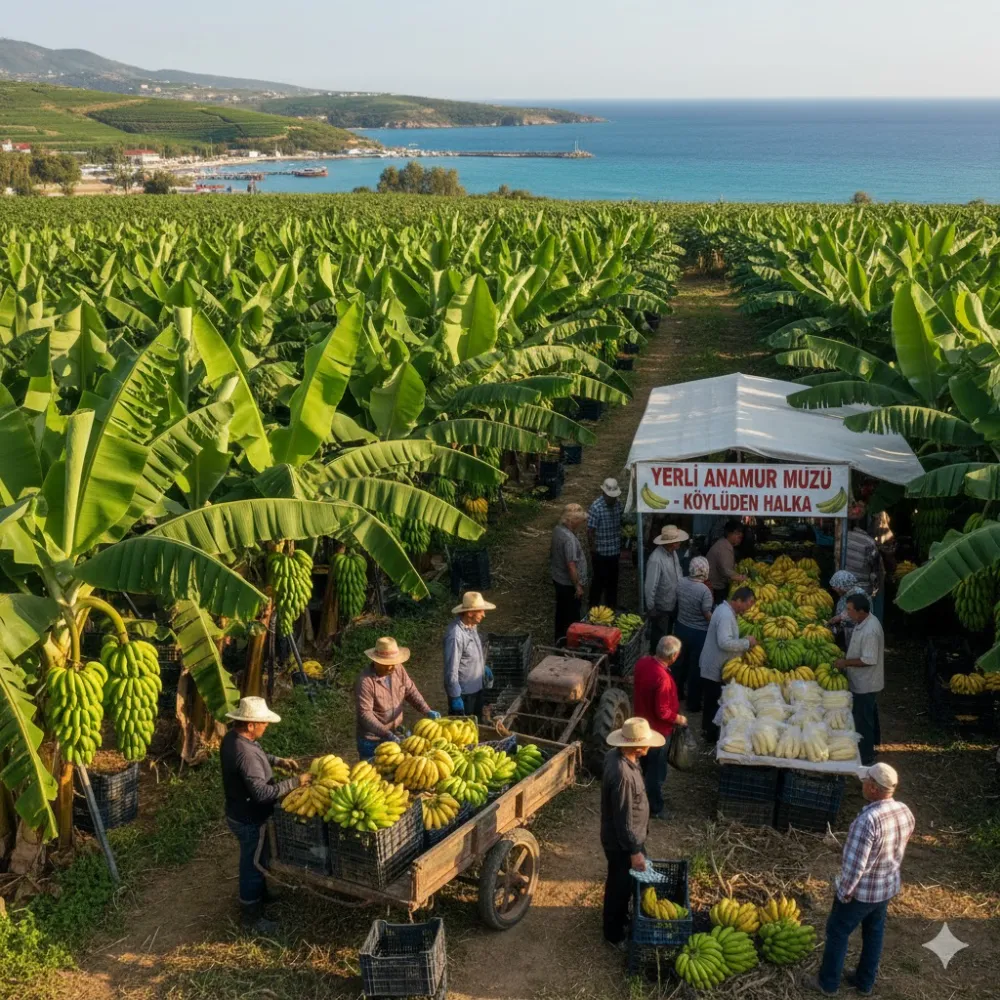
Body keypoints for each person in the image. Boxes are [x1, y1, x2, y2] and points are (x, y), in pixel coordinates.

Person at [803, 764, 915, 997]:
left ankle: (828, 983)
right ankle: (864, 982)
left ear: (873, 788)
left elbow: (856, 867)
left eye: (865, 781)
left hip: (862, 893)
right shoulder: (904, 811)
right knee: (874, 933)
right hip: (885, 888)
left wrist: (843, 893)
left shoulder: (868, 821)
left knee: (837, 932)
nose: (862, 784)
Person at [220, 696, 310, 933]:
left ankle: (262, 894)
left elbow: (257, 757)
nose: (266, 725)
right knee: (252, 864)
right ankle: (251, 917)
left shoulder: (235, 738)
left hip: (239, 811)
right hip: (249, 817)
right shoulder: (244, 752)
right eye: (263, 722)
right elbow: (262, 793)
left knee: (259, 858)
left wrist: (277, 761)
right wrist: (294, 783)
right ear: (250, 725)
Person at [600, 716, 663, 949]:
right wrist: (635, 851)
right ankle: (614, 934)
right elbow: (625, 820)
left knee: (621, 881)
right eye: (646, 743)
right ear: (637, 746)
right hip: (622, 843)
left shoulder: (621, 757)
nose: (648, 746)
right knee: (620, 886)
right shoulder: (623, 775)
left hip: (624, 838)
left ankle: (618, 921)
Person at [356, 637, 439, 759]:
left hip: (396, 733)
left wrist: (427, 710)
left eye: (392, 663)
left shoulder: (398, 669)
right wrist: (386, 733)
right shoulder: (365, 681)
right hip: (372, 741)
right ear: (376, 661)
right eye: (386, 664)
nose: (390, 668)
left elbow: (410, 691)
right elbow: (365, 714)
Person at [632, 636, 687, 819]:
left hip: (641, 725)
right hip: (657, 732)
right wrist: (678, 718)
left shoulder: (643, 663)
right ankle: (655, 808)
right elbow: (662, 712)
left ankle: (640, 798)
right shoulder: (662, 678)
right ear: (674, 656)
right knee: (656, 772)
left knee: (646, 766)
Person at [699, 587, 758, 743]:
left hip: (717, 664)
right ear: (738, 600)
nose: (748, 609)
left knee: (712, 701)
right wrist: (746, 643)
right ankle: (709, 736)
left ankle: (709, 732)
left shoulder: (727, 612)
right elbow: (724, 642)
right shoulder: (725, 615)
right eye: (748, 604)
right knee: (712, 702)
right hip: (713, 666)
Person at [835, 594, 884, 766]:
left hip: (866, 683)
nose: (847, 613)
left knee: (864, 721)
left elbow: (868, 659)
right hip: (861, 681)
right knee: (870, 715)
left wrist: (845, 662)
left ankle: (867, 757)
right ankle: (874, 746)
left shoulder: (871, 630)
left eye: (849, 610)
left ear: (861, 611)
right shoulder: (862, 621)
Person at [444, 591, 496, 720]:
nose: (484, 615)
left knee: (476, 725)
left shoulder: (472, 626)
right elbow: (451, 669)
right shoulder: (455, 636)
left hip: (476, 687)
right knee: (463, 731)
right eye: (481, 611)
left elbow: (473, 652)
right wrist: (455, 696)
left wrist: (482, 667)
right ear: (470, 613)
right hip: (464, 694)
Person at [672, 555, 714, 708]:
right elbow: (706, 613)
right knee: (696, 667)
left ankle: (676, 694)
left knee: (679, 663)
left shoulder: (681, 582)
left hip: (681, 627)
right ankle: (693, 702)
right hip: (699, 633)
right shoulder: (704, 591)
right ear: (705, 571)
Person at [644, 525, 688, 652]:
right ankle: (655, 659)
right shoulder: (656, 559)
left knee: (668, 636)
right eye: (677, 541)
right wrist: (651, 607)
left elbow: (678, 572)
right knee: (659, 637)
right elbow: (650, 586)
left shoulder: (672, 553)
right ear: (671, 543)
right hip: (661, 606)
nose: (679, 543)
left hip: (672, 602)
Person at [551, 503, 589, 642]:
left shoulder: (557, 530)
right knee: (571, 615)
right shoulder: (569, 539)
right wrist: (577, 586)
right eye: (579, 521)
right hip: (568, 584)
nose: (581, 524)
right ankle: (570, 642)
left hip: (558, 578)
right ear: (572, 521)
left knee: (561, 612)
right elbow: (571, 565)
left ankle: (559, 638)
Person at [588, 478, 623, 608]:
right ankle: (593, 606)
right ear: (604, 493)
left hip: (614, 551)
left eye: (614, 497)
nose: (612, 499)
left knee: (613, 582)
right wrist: (593, 549)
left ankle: (611, 606)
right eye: (610, 497)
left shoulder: (618, 505)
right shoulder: (596, 507)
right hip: (601, 552)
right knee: (598, 581)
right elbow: (590, 530)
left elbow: (620, 522)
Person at [707, 520, 748, 605]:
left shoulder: (724, 543)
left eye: (741, 537)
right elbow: (727, 571)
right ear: (730, 534)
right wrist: (742, 578)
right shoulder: (724, 548)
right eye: (738, 536)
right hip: (716, 588)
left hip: (714, 584)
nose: (740, 539)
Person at [826, 570, 868, 648]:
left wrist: (839, 617)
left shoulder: (858, 594)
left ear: (843, 584)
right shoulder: (846, 593)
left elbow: (856, 612)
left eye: (837, 587)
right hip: (848, 630)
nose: (835, 589)